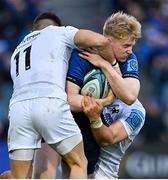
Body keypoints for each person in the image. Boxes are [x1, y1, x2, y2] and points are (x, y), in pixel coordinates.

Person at [32, 11, 142, 178]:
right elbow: (71, 100)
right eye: (126, 45)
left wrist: (106, 65)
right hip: (72, 118)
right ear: (109, 41)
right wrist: (104, 102)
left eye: (132, 45)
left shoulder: (129, 62)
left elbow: (130, 96)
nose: (130, 51)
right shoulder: (82, 55)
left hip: (100, 158)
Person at [8, 11, 115, 179]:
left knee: (18, 176)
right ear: (55, 26)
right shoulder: (58, 32)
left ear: (32, 31)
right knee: (79, 163)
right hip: (49, 103)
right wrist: (112, 65)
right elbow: (101, 41)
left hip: (18, 110)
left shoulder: (17, 49)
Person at [82, 94, 145, 179]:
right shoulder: (99, 90)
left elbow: (107, 140)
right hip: (73, 167)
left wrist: (95, 119)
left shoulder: (136, 111)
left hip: (102, 174)